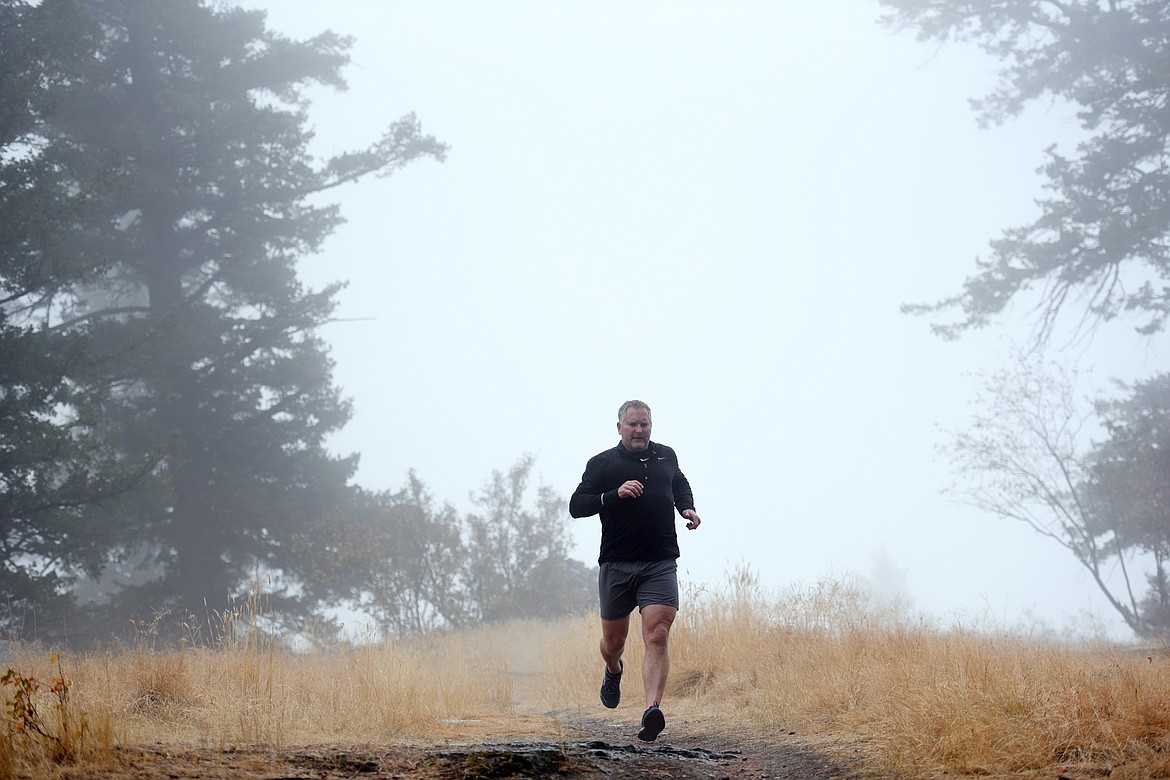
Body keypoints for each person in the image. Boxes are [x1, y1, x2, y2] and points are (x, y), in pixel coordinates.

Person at [569, 400, 702, 742]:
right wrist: (614, 494)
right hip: (616, 563)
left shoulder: (666, 455)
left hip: (659, 561)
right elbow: (577, 505)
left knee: (657, 634)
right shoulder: (602, 464)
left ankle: (651, 710)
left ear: (651, 427)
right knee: (614, 643)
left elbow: (678, 483)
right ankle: (613, 669)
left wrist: (687, 507)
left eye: (644, 424)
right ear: (619, 428)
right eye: (632, 425)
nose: (639, 430)